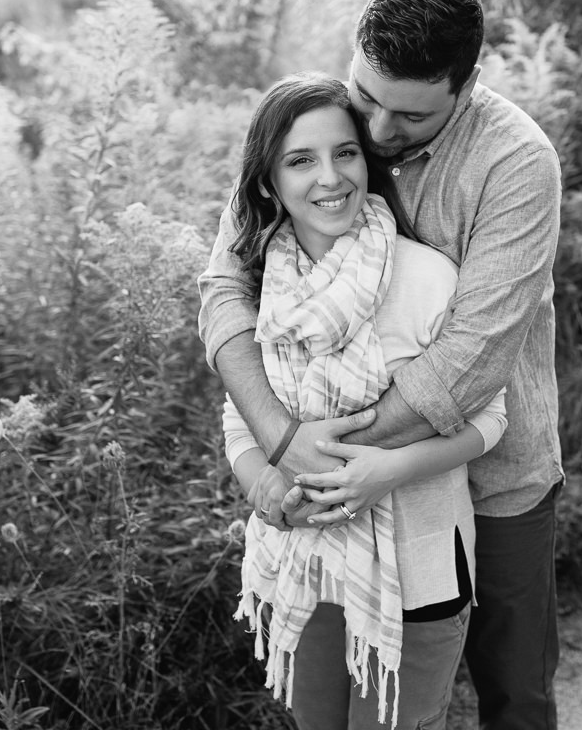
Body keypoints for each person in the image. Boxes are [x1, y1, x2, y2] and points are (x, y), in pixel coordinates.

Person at [200, 0, 564, 730]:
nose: (377, 130)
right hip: (329, 493)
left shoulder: (515, 163)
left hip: (490, 477)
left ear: (463, 91)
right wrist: (280, 439)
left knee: (514, 693)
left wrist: (321, 461)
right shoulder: (312, 132)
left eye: (410, 116)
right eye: (367, 96)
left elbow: (468, 362)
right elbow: (225, 294)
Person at [220, 74, 508, 729]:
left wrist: (391, 469)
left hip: (421, 568)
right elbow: (241, 414)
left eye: (345, 153)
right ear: (267, 183)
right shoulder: (262, 284)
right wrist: (264, 484)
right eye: (300, 160)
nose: (330, 177)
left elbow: (493, 418)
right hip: (304, 561)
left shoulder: (428, 278)